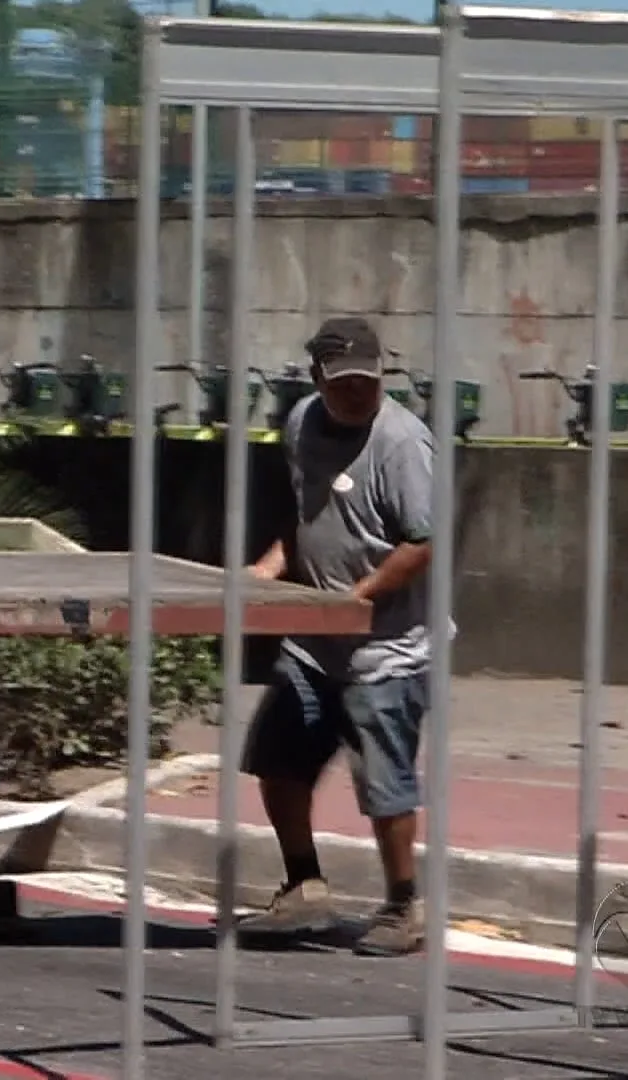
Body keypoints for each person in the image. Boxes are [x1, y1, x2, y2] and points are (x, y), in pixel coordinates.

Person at [238, 316, 437, 958]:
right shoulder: (300, 424)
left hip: (386, 647)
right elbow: (308, 511)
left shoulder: (403, 443)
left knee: (384, 784)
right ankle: (304, 886)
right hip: (314, 640)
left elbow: (424, 541)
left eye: (368, 382)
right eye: (343, 383)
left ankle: (405, 903)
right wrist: (270, 567)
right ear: (318, 380)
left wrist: (358, 598)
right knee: (275, 757)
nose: (357, 394)